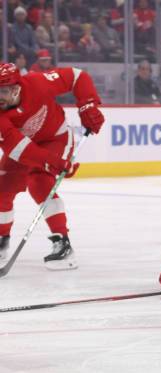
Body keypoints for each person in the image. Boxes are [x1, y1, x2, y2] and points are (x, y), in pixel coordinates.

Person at [0, 62, 105, 269]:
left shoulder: (37, 83)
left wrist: (88, 104)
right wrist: (55, 163)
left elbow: (77, 76)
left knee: (40, 183)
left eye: (2, 91)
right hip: (24, 146)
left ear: (16, 88)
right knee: (2, 188)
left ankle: (62, 244)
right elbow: (21, 150)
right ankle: (2, 242)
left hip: (54, 138)